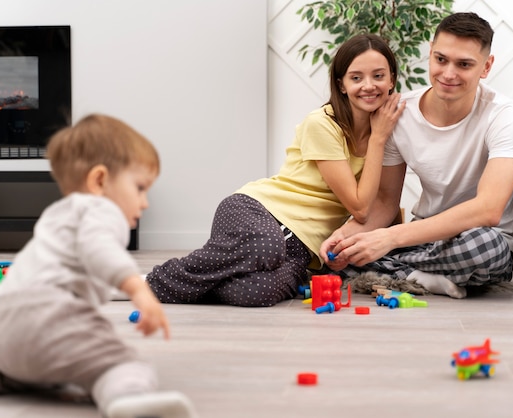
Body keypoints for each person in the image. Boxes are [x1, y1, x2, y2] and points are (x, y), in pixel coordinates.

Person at [147, 34, 406, 307]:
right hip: (258, 211)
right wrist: (378, 139)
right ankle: (154, 282)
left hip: (300, 250)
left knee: (259, 293)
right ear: (341, 84)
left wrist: (380, 136)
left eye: (378, 76)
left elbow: (385, 203)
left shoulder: (392, 132)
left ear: (391, 80)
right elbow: (360, 207)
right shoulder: (322, 123)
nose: (369, 86)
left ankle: (197, 284)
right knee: (266, 246)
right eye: (356, 78)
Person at [0, 114, 197, 418]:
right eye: (140, 188)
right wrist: (139, 289)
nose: (144, 202)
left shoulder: (57, 213)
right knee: (122, 362)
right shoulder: (102, 209)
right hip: (49, 319)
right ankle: (128, 397)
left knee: (11, 365)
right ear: (100, 181)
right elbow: (100, 248)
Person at [320, 12, 513, 299]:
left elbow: (488, 209)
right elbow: (384, 202)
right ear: (430, 52)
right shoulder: (399, 114)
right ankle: (419, 277)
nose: (448, 73)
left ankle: (389, 271)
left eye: (464, 64)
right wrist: (344, 238)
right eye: (440, 59)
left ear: (486, 66)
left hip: (479, 242)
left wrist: (388, 239)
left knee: (483, 246)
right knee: (339, 254)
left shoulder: (505, 114)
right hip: (421, 238)